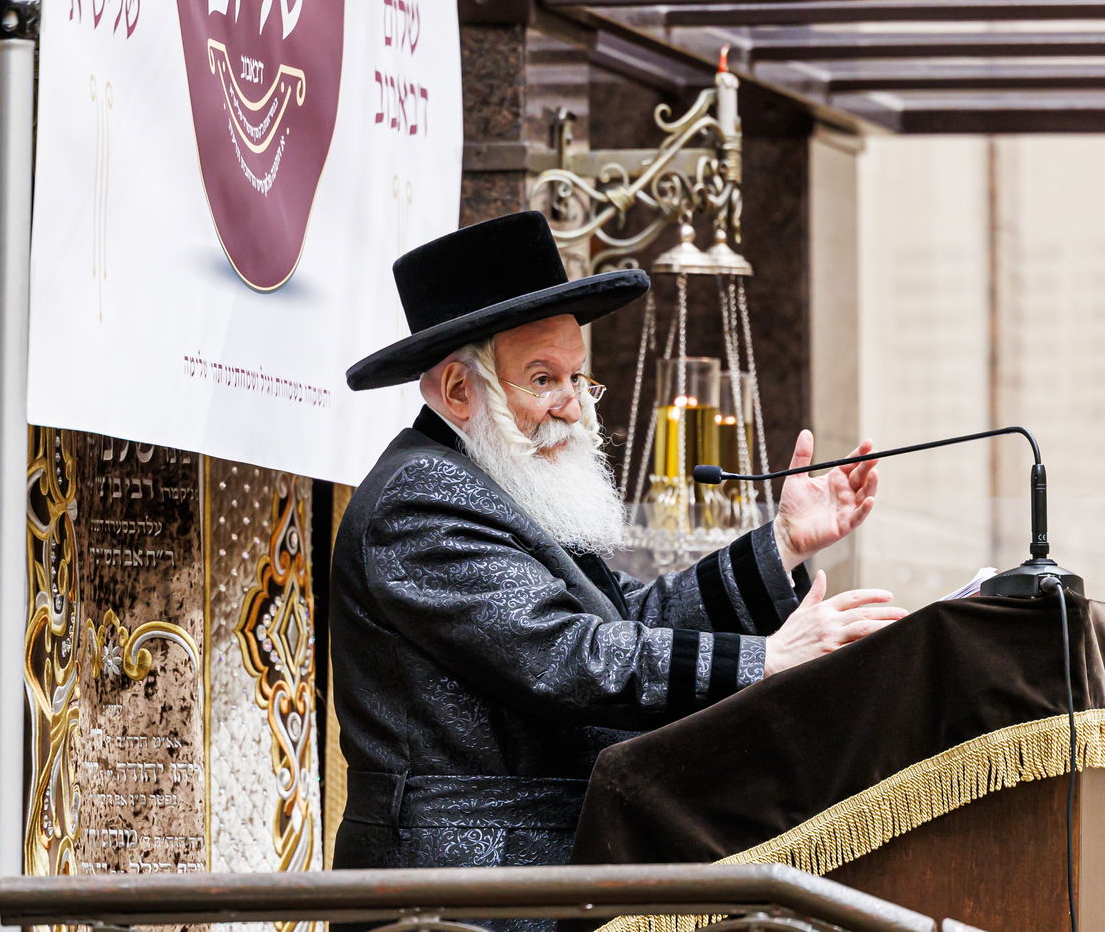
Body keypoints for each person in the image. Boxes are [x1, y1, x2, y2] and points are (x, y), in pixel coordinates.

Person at [329, 211, 907, 883]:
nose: (572, 406)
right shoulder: (421, 499)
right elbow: (570, 655)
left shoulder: (494, 479)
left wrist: (779, 546)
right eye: (544, 379)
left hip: (537, 864)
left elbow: (624, 617)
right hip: (460, 890)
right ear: (460, 390)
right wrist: (768, 657)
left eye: (578, 379)